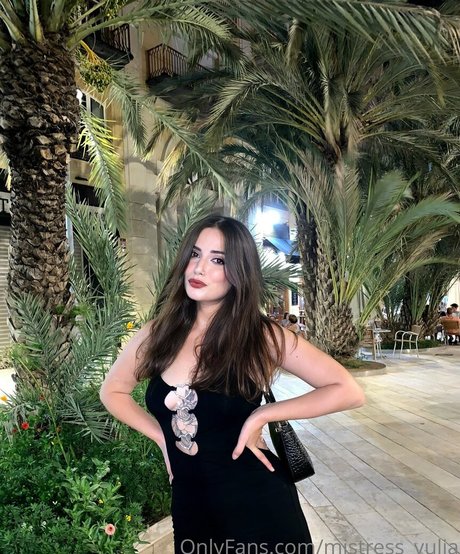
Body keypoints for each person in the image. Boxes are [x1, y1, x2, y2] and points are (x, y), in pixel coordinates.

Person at [100, 215, 365, 554]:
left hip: (259, 510)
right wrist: (162, 437)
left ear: (239, 272)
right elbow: (113, 391)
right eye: (195, 254)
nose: (199, 268)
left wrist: (262, 415)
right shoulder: (159, 333)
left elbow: (347, 390)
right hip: (192, 507)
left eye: (218, 260)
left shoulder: (260, 335)